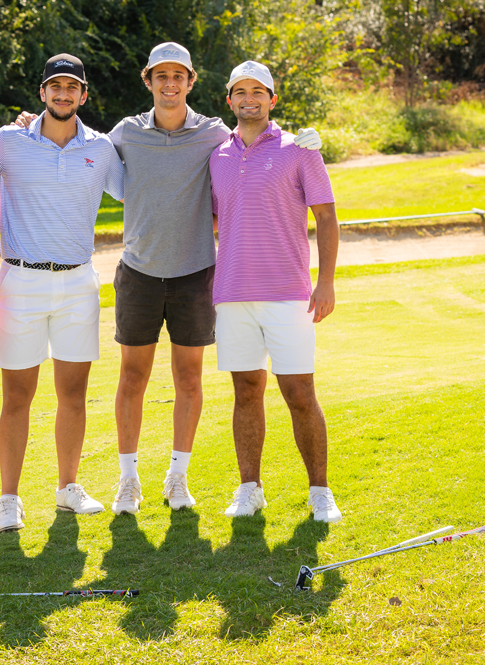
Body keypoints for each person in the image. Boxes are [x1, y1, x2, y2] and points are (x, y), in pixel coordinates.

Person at [104, 43, 323, 516]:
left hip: (197, 275)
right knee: (132, 377)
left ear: (191, 81)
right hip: (139, 272)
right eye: (160, 76)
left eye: (177, 76)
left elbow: (259, 138)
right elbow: (82, 151)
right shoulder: (125, 132)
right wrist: (32, 126)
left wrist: (306, 141)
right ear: (148, 81)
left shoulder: (213, 134)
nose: (169, 84)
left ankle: (178, 479)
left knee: (190, 379)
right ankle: (128, 481)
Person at [0, 53, 125, 531]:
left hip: (79, 282)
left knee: (73, 393)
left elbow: (141, 191)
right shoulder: (9, 140)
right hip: (21, 281)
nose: (63, 94)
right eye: (54, 87)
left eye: (72, 88)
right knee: (17, 395)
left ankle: (67, 488)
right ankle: (8, 499)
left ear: (84, 95)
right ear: (42, 93)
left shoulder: (100, 149)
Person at [209, 61, 342, 521]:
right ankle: (250, 489)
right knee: (246, 390)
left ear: (272, 99)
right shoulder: (218, 154)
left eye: (258, 91)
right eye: (240, 91)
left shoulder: (300, 150)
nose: (249, 98)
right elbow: (215, 216)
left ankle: (320, 492)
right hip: (231, 293)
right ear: (229, 100)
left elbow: (326, 216)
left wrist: (325, 281)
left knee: (300, 392)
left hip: (289, 293)